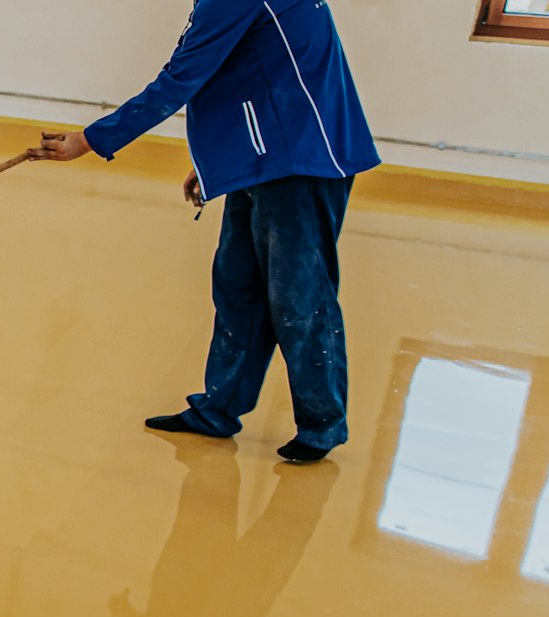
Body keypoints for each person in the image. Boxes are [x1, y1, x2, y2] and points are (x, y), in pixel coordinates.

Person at [30, 0, 379, 463]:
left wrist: (89, 140)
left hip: (298, 159)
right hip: (264, 155)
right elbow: (249, 69)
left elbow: (183, 76)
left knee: (299, 297)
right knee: (238, 287)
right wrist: (218, 159)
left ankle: (321, 424)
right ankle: (218, 409)